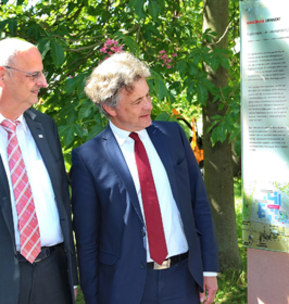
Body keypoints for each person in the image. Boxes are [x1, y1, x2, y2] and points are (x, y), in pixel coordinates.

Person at [71, 52, 219, 304]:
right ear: (110, 108)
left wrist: (208, 269)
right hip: (124, 286)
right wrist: (94, 296)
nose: (149, 105)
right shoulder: (89, 158)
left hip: (182, 279)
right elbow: (87, 239)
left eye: (148, 95)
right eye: (138, 101)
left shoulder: (173, 136)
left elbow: (199, 203)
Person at [0, 37, 78, 303]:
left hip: (52, 273)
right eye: (34, 75)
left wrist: (72, 276)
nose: (43, 82)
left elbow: (61, 200)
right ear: (2, 74)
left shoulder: (45, 126)